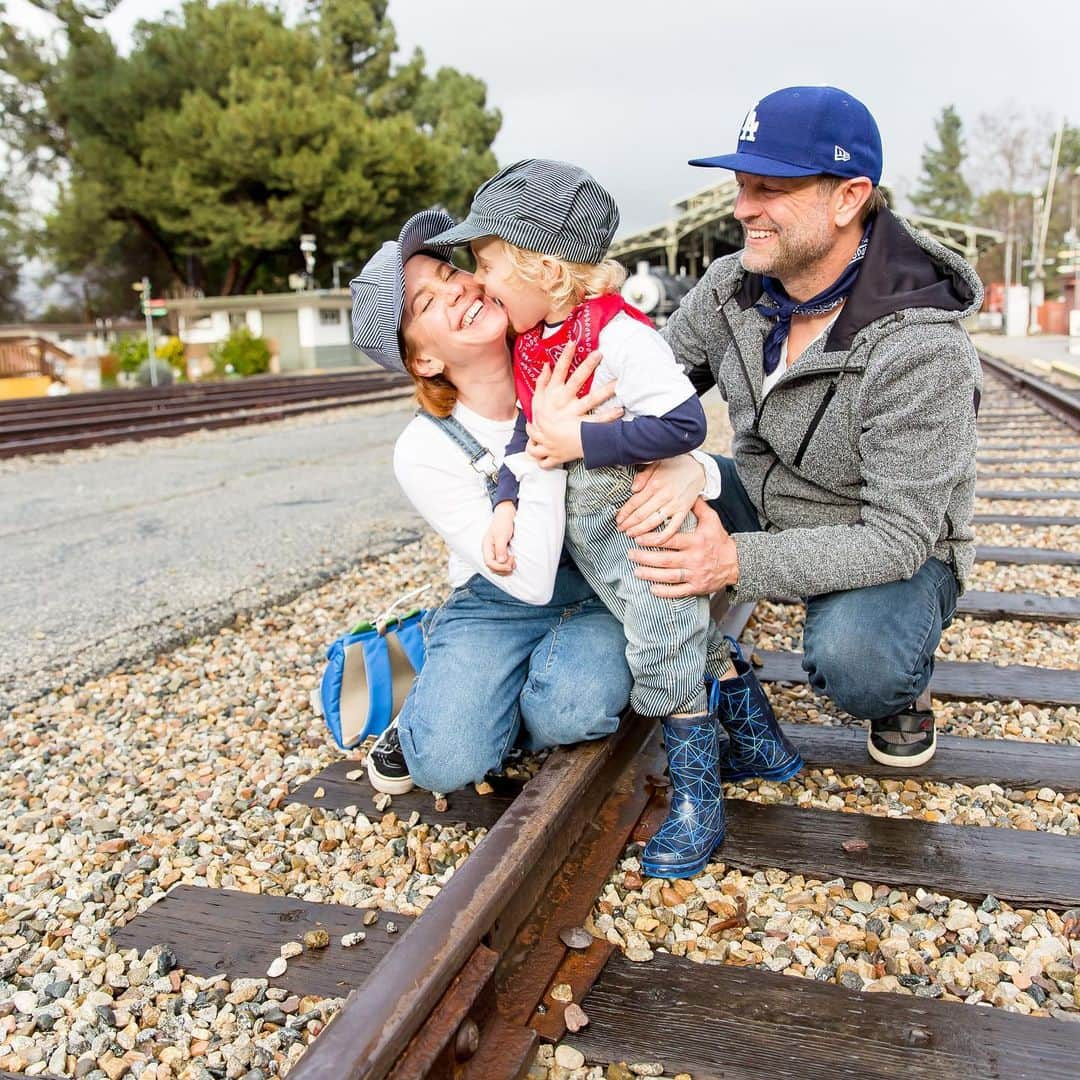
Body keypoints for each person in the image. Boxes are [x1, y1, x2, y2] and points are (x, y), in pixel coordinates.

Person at [604, 86, 983, 768]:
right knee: (614, 474)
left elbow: (896, 537)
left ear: (848, 197)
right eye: (742, 185)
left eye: (771, 188)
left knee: (857, 662)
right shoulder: (730, 288)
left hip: (883, 539)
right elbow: (644, 388)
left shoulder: (923, 347)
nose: (743, 208)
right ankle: (599, 638)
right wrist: (676, 458)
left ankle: (903, 687)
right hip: (761, 496)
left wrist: (733, 563)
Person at [429, 160, 776, 878]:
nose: (480, 282)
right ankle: (763, 745)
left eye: (487, 263)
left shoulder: (619, 334)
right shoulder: (535, 341)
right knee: (686, 639)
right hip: (598, 548)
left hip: (644, 528)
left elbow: (682, 421)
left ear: (544, 269)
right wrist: (503, 500)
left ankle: (696, 805)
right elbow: (528, 436)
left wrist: (586, 442)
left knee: (666, 654)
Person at [346, 208, 638, 798]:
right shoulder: (425, 448)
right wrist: (547, 444)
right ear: (424, 360)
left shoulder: (580, 344)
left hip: (601, 582)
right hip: (500, 597)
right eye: (427, 304)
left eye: (450, 273)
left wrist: (689, 469)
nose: (456, 290)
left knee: (573, 714)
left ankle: (492, 694)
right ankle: (441, 691)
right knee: (445, 765)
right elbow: (527, 581)